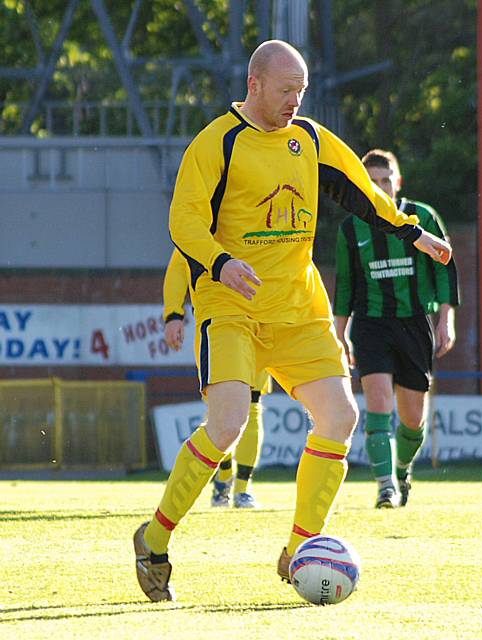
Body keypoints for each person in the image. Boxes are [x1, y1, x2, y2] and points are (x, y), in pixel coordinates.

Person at [133, 40, 452, 602]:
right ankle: (154, 540)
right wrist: (221, 261)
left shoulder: (310, 139)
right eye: (286, 91)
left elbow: (364, 192)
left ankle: (299, 550)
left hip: (298, 308)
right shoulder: (217, 144)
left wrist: (413, 232)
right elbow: (183, 221)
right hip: (231, 308)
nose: (295, 101)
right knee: (227, 425)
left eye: (301, 91)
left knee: (339, 417)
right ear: (254, 84)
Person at [334, 149, 460, 509]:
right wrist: (339, 333)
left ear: (398, 181)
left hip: (415, 322)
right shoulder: (351, 227)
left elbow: (444, 267)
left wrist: (446, 318)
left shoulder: (423, 217)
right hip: (371, 324)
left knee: (412, 418)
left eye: (386, 180)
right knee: (377, 402)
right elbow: (346, 284)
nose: (381, 187)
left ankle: (402, 469)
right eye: (372, 182)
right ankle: (385, 486)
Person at [163, 248, 267, 509]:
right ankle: (223, 477)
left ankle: (243, 489)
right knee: (223, 411)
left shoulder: (264, 219)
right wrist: (174, 314)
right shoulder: (205, 219)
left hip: (263, 321)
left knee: (253, 406)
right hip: (220, 323)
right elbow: (179, 265)